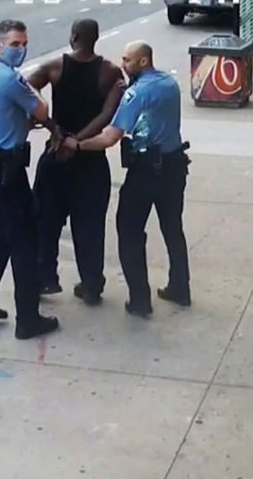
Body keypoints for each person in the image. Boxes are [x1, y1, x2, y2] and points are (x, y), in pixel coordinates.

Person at [59, 41, 190, 318]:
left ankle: (140, 299)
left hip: (145, 172)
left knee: (129, 232)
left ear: (143, 62)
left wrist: (77, 144)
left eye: (127, 60)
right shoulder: (169, 83)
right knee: (172, 228)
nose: (123, 65)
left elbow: (110, 136)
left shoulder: (138, 92)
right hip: (175, 166)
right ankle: (180, 287)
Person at [0, 19, 61, 339]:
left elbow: (0, 112)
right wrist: (27, 88)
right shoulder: (8, 79)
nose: (21, 49)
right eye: (15, 44)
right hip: (5, 172)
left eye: (24, 44)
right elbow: (42, 110)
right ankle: (28, 319)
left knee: (7, 230)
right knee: (24, 242)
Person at [26, 19, 126, 305]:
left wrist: (55, 129)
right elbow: (107, 115)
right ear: (96, 38)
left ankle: (46, 278)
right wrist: (79, 142)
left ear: (73, 37)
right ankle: (92, 285)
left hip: (55, 157)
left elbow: (27, 91)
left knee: (46, 222)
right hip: (91, 160)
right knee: (90, 227)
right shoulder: (109, 72)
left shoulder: (54, 67)